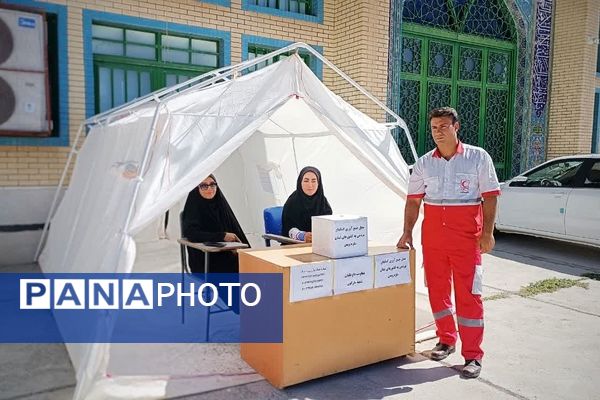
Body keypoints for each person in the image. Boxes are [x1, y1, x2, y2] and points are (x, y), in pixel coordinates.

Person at [397, 107, 500, 379]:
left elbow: (490, 197)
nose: (438, 132)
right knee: (437, 290)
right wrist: (407, 232)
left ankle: (473, 355)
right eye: (433, 127)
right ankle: (446, 339)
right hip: (433, 238)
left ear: (457, 127)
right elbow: (413, 201)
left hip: (467, 239)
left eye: (444, 126)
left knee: (469, 295)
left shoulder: (478, 158)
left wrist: (487, 233)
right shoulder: (423, 163)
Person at [182, 174, 250, 274]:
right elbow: (191, 234)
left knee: (253, 264)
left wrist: (239, 248)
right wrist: (221, 236)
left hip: (228, 252)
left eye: (213, 185)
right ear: (196, 189)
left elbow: (235, 231)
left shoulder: (221, 205)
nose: (209, 188)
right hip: (205, 258)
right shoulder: (193, 209)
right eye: (204, 186)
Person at [282, 166, 333, 243]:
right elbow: (289, 228)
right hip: (294, 245)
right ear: (300, 182)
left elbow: (328, 225)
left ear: (318, 183)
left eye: (313, 181)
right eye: (306, 181)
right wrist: (302, 236)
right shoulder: (292, 201)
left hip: (320, 244)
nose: (310, 185)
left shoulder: (322, 201)